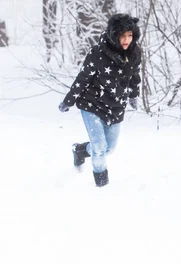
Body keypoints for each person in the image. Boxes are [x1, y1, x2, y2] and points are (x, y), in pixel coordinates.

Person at [59, 13, 142, 187]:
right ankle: (101, 185)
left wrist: (133, 94)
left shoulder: (135, 53)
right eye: (122, 36)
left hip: (116, 106)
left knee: (108, 148)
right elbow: (83, 79)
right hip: (92, 104)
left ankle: (80, 151)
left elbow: (134, 75)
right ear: (114, 35)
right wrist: (69, 100)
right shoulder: (98, 53)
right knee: (98, 146)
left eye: (130, 35)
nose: (126, 40)